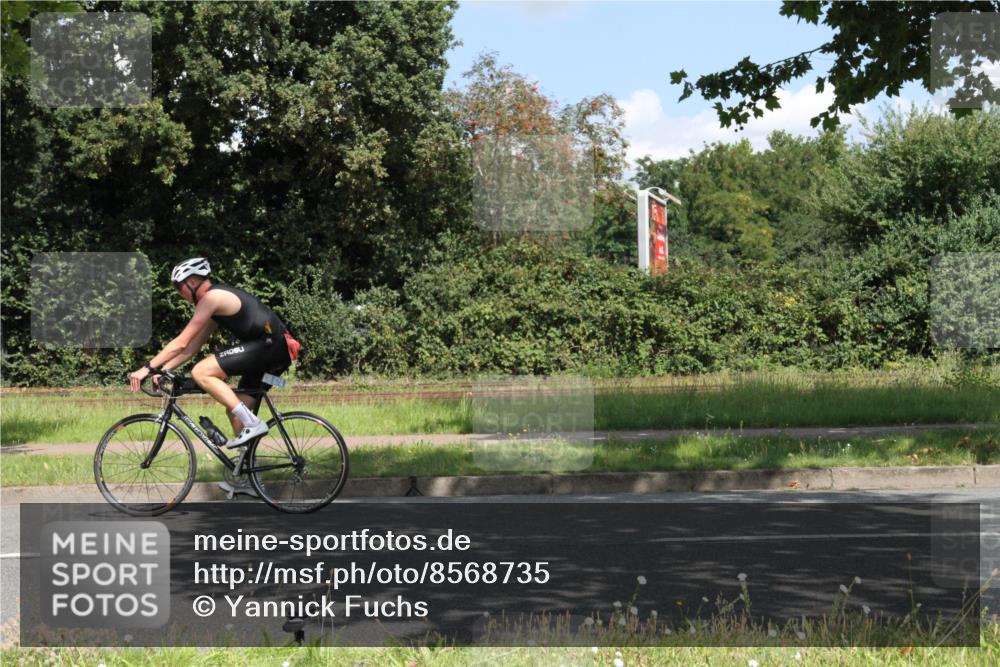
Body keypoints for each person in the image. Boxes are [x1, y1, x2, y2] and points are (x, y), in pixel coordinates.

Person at [129, 257, 301, 449]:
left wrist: (147, 368)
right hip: (271, 351)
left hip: (270, 347)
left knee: (201, 371)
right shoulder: (214, 305)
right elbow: (191, 347)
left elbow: (181, 342)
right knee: (236, 413)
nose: (179, 293)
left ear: (192, 282)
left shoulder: (212, 298)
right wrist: (163, 370)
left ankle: (253, 423)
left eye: (179, 287)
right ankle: (248, 467)